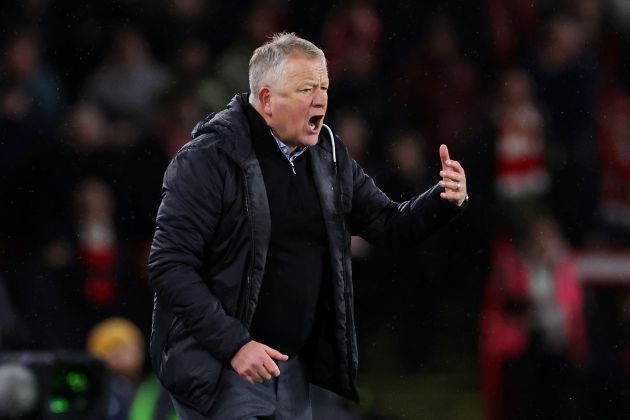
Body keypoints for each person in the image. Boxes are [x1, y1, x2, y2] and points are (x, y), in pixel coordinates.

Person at [148, 32, 468, 419]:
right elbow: (170, 265)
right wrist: (235, 345)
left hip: (293, 373)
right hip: (222, 369)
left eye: (324, 87)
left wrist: (441, 200)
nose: (321, 99)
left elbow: (388, 225)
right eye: (306, 89)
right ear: (266, 100)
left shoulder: (328, 155)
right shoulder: (206, 160)